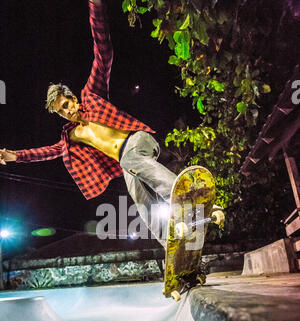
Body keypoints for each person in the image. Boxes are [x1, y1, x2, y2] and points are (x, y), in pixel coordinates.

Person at [0, 0, 223, 247]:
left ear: (72, 98)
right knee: (139, 198)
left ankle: (192, 199)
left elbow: (103, 54)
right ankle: (172, 244)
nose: (67, 112)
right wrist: (16, 157)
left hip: (138, 141)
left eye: (66, 105)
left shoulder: (91, 95)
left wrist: (95, 7)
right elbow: (46, 153)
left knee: (128, 159)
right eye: (61, 112)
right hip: (130, 164)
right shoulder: (71, 136)